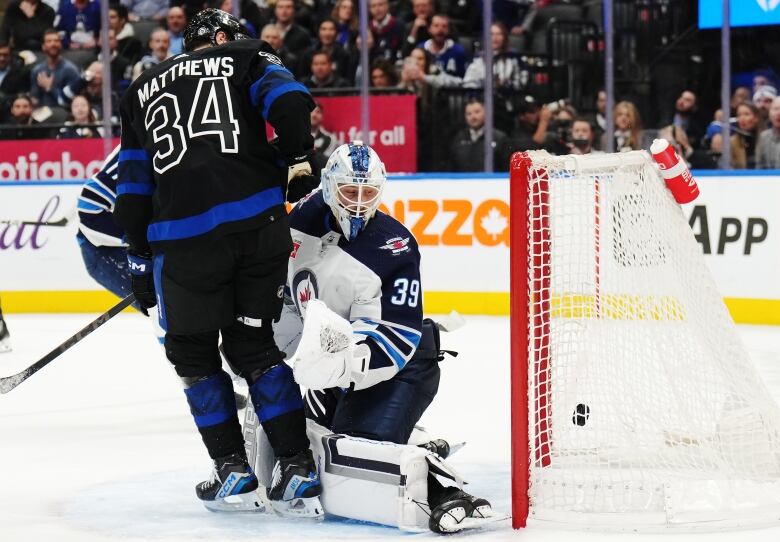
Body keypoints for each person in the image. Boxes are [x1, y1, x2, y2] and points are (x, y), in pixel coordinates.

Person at [113, 8, 322, 515]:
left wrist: (139, 258)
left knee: (193, 354)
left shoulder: (140, 88)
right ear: (224, 37)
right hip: (257, 228)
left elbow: (134, 188)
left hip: (183, 244)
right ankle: (295, 464)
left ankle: (231, 467)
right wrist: (296, 157)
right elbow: (290, 101)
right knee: (253, 345)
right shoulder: (246, 55)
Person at [278, 141, 495, 533]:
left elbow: (397, 335)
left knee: (351, 453)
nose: (359, 203)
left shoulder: (395, 247)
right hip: (334, 366)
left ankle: (445, 491)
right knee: (307, 443)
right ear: (328, 188)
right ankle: (416, 440)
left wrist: (341, 367)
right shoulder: (300, 221)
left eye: (369, 193)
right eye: (349, 191)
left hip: (400, 367)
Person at [450, 98, 511, 172]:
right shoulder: (458, 138)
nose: (473, 117)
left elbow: (506, 169)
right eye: (469, 114)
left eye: (477, 112)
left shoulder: (500, 138)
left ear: (486, 113)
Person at [29, 29, 80, 108]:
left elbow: (71, 102)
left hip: (63, 113)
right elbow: (35, 99)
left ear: (61, 45)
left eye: (56, 41)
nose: (53, 44)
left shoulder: (70, 70)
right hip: (41, 113)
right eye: (49, 41)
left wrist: (50, 88)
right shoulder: (37, 70)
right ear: (43, 47)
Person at [0, 42, 31, 116]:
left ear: (10, 56)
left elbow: (21, 95)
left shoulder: (20, 73)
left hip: (9, 113)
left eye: (5, 55)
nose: (1, 58)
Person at [757, 96, 780, 169]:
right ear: (769, 113)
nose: (778, 113)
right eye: (775, 109)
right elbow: (759, 167)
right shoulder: (763, 137)